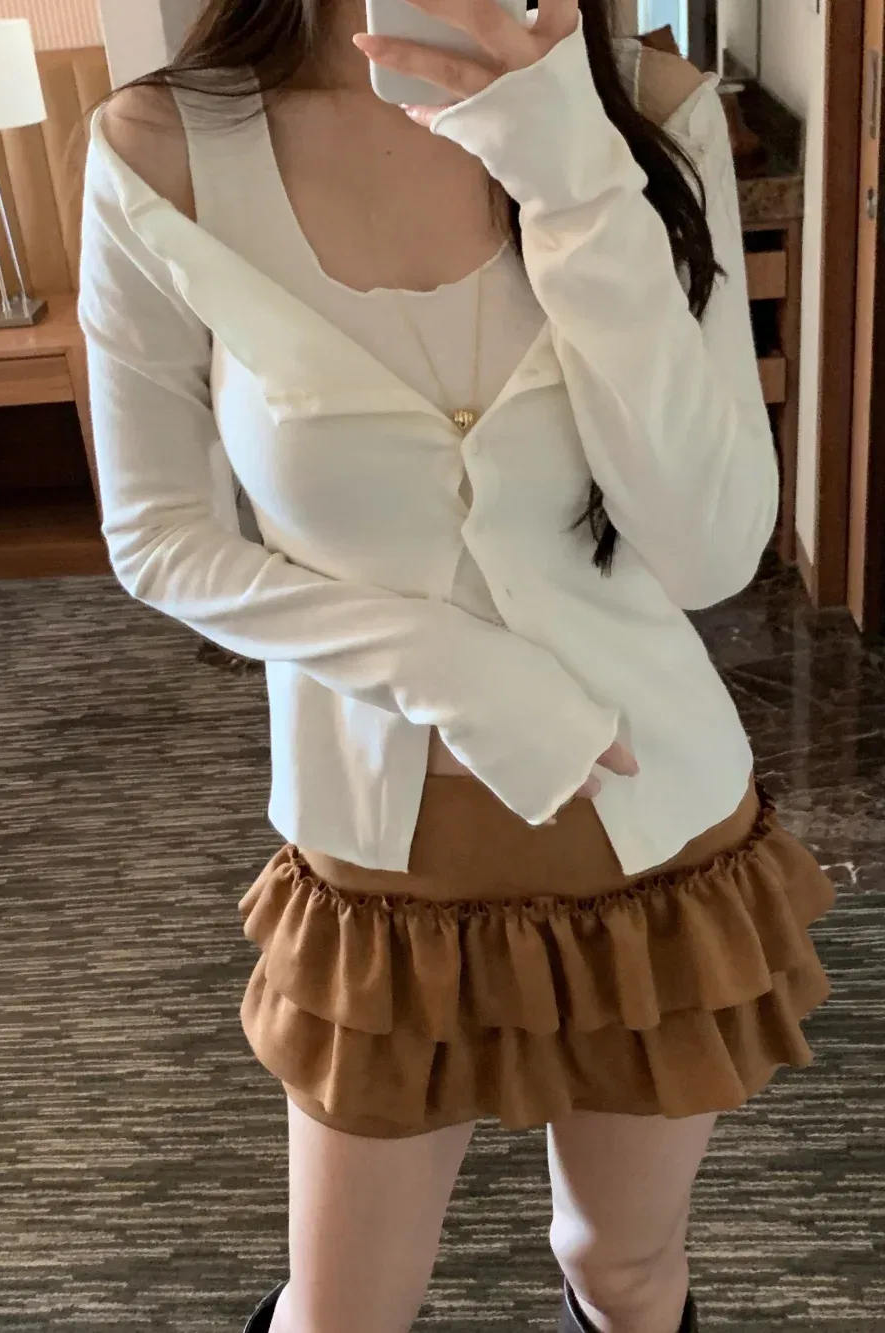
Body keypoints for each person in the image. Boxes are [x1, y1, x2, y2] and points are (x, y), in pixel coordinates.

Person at [78, 0, 836, 1328]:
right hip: (384, 871)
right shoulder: (165, 147)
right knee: (345, 1310)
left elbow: (710, 549)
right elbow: (159, 537)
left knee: (622, 1267)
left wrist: (571, 170)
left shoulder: (654, 116)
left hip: (657, 845)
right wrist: (455, 672)